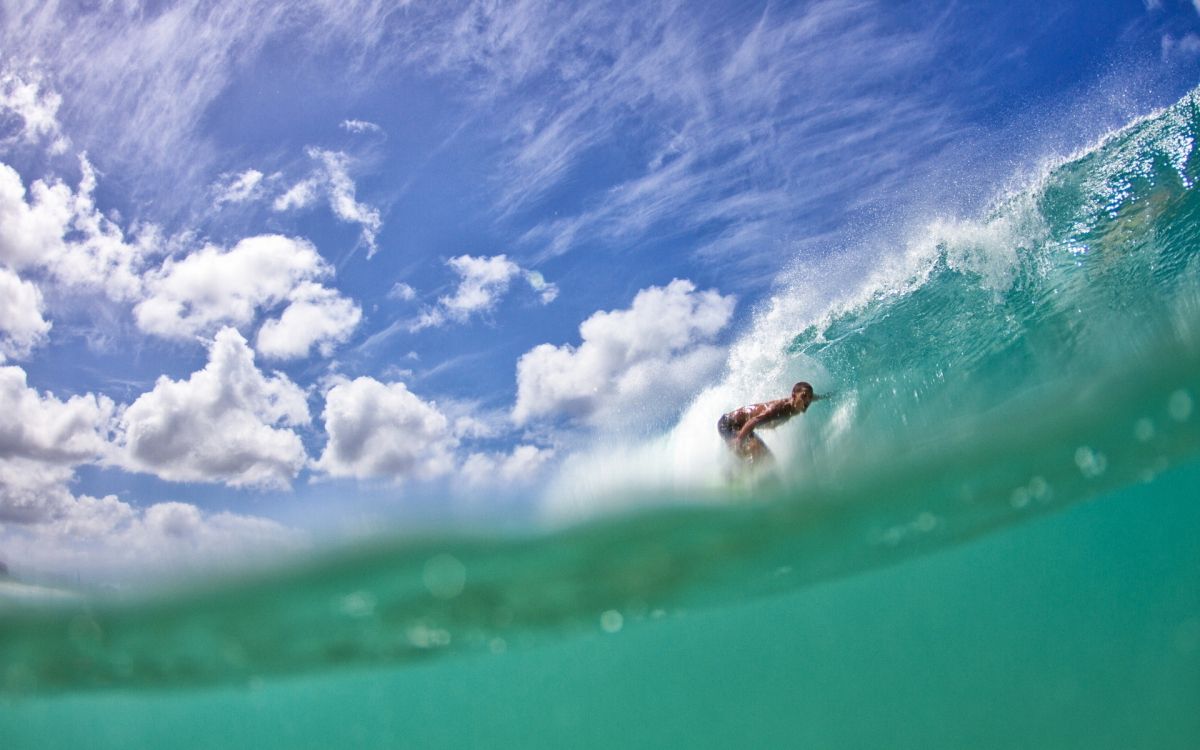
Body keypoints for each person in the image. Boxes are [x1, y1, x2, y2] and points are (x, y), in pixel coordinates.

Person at [717, 382, 822, 465]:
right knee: (761, 456)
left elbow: (813, 397)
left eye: (810, 397)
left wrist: (827, 396)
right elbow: (753, 421)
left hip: (742, 426)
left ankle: (738, 473)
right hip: (729, 424)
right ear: (793, 396)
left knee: (766, 459)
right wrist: (739, 439)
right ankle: (735, 475)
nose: (807, 400)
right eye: (804, 396)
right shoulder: (780, 409)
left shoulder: (801, 403)